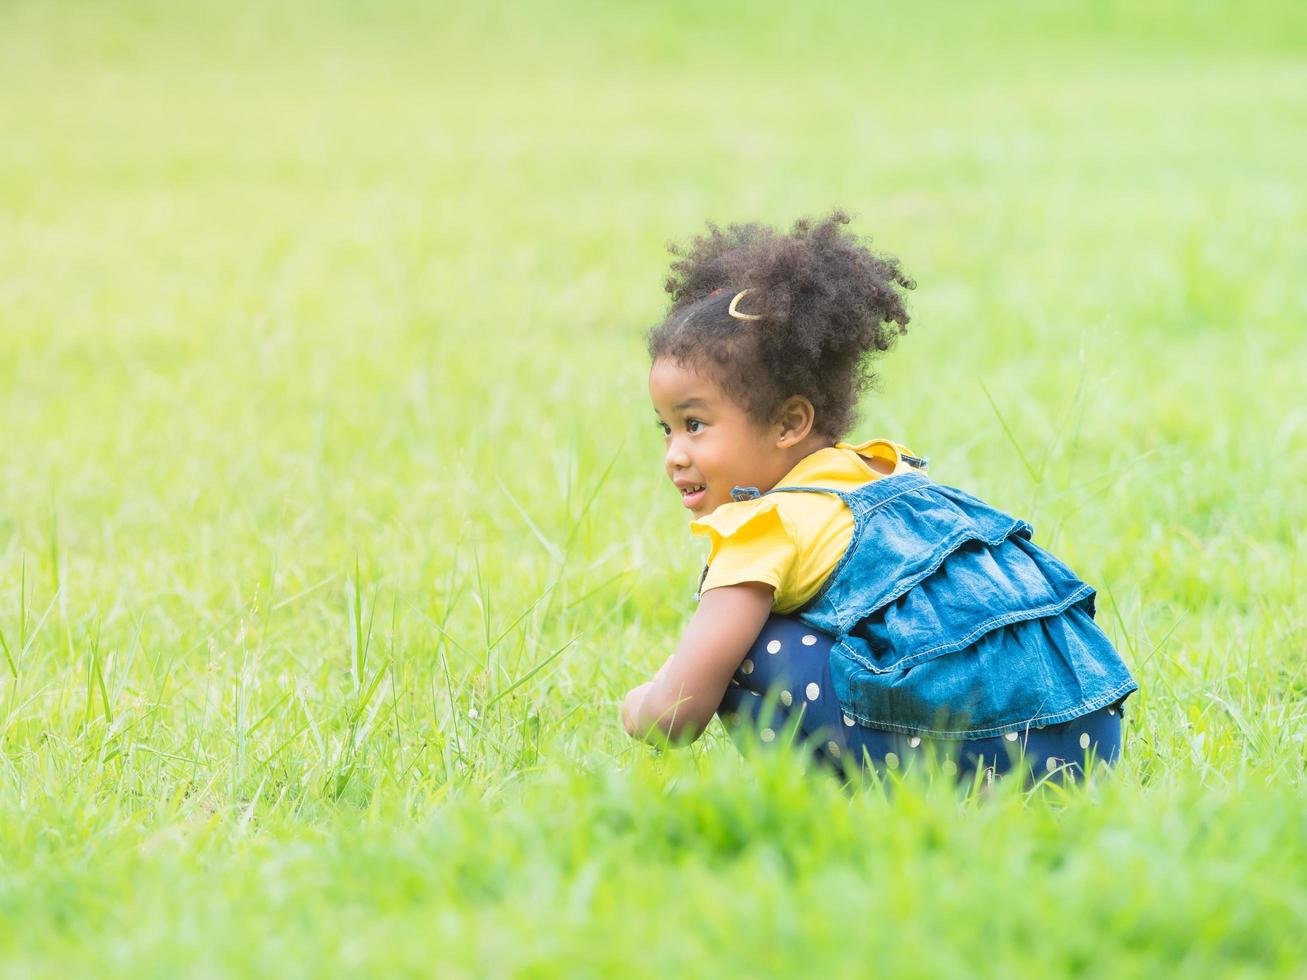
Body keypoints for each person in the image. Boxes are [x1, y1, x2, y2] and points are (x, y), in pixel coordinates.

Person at [619, 212, 1138, 783]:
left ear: (790, 422)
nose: (674, 453)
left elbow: (678, 714)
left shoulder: (763, 527)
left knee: (743, 645)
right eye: (664, 428)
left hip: (977, 762)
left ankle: (851, 802)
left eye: (695, 424)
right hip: (1088, 740)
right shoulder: (881, 470)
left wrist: (639, 704)